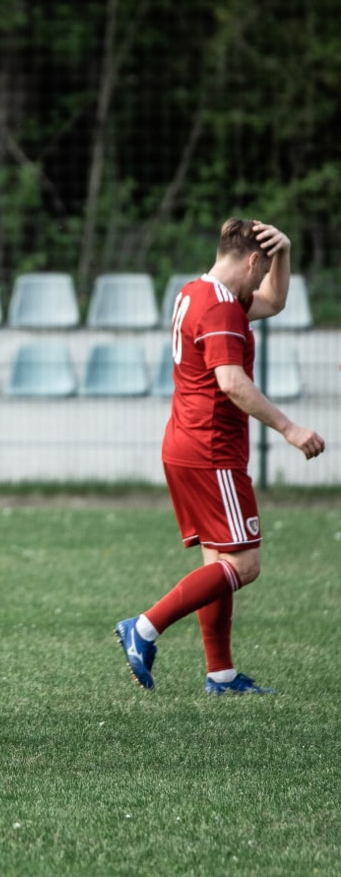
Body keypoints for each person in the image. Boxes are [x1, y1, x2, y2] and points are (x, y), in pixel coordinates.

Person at [115, 219, 324, 693]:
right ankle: (144, 627)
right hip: (212, 451)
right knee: (245, 565)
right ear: (251, 261)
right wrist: (290, 428)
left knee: (219, 563)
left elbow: (274, 301)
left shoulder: (195, 292)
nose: (261, 282)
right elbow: (231, 382)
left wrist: (284, 252)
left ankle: (221, 674)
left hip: (184, 444)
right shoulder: (221, 307)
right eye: (262, 270)